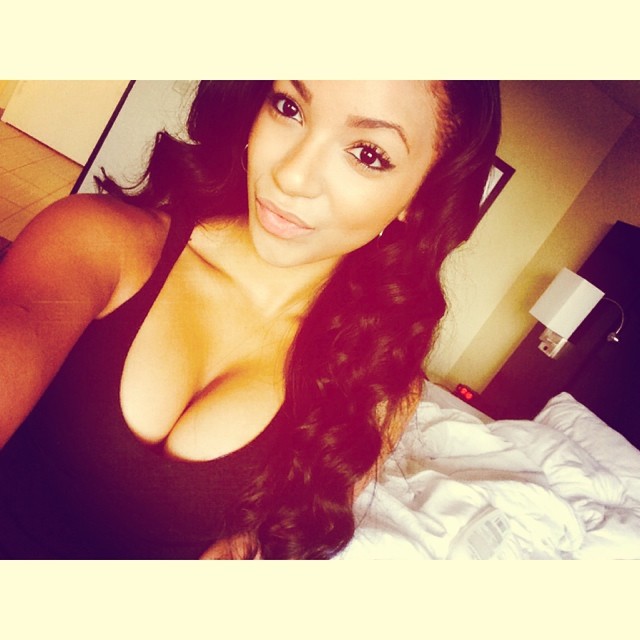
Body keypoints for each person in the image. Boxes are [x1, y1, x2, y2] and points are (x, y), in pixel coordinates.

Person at [0, 80, 501, 559]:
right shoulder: (95, 240)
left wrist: (252, 547)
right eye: (289, 107)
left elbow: (284, 535)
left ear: (421, 198)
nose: (291, 176)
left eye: (367, 154)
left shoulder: (377, 388)